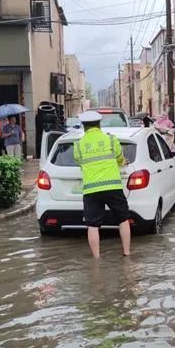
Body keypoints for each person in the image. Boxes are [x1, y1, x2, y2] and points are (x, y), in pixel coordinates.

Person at [74, 110, 132, 258]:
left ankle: (96, 259)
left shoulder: (78, 145)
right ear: (99, 124)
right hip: (112, 186)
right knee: (123, 219)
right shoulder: (111, 140)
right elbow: (120, 158)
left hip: (91, 189)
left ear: (83, 126)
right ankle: (126, 253)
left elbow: (79, 162)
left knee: (92, 225)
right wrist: (122, 162)